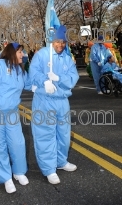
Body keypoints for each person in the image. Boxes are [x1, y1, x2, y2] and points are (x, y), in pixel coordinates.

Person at [29, 25, 79, 185]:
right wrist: (44, 80)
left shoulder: (66, 57)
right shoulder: (42, 55)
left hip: (62, 100)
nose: (60, 45)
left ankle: (61, 162)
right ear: (51, 41)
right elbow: (33, 72)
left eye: (63, 42)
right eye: (57, 41)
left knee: (64, 134)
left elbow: (73, 76)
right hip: (44, 100)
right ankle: (49, 169)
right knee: (46, 134)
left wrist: (58, 78)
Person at [0, 42, 31, 194]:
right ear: (11, 53)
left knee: (18, 143)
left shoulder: (20, 70)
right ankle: (6, 178)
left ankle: (19, 172)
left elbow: (29, 84)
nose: (23, 54)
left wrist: (46, 81)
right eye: (20, 52)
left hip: (11, 111)